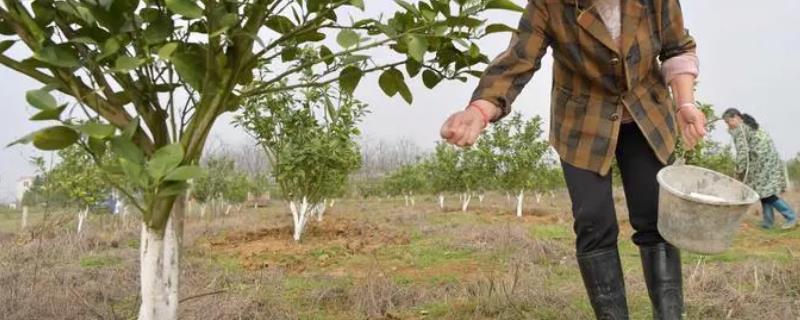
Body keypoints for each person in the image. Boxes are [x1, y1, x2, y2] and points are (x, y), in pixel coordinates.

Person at [439, 1, 707, 319]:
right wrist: (479, 111)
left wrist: (684, 103)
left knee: (655, 219)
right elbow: (518, 60)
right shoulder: (549, 5)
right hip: (582, 120)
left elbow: (677, 48)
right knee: (594, 222)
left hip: (644, 113)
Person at [723, 108, 797, 230]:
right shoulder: (748, 124)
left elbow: (742, 153)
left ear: (736, 117)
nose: (728, 125)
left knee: (767, 195)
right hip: (769, 162)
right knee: (764, 193)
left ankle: (791, 216)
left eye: (729, 121)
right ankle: (768, 222)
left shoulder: (740, 130)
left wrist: (739, 170)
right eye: (726, 123)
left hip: (762, 164)